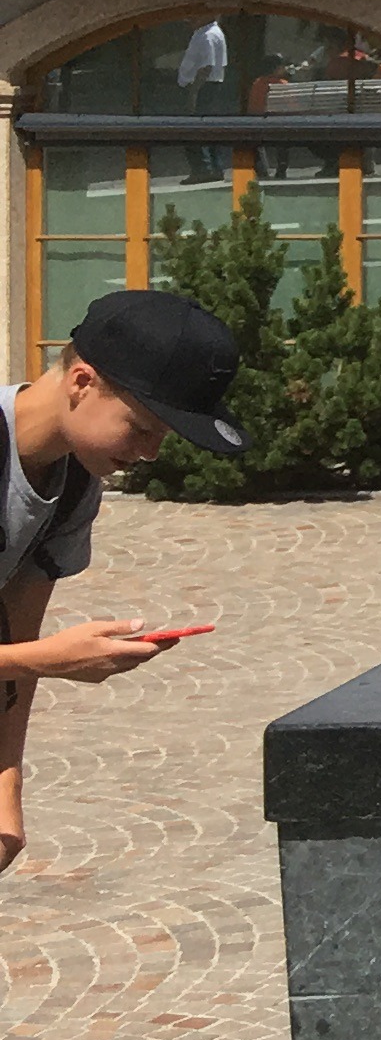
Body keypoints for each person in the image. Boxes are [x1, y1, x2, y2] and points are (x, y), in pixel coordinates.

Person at [0, 290, 247, 876]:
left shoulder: (74, 484)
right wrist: (50, 659)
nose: (151, 453)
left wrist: (7, 789)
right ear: (81, 382)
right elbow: (29, 656)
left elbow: (16, 633)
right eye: (141, 429)